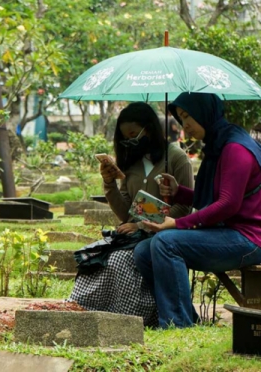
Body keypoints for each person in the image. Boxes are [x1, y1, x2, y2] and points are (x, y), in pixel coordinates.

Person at [132, 93, 261, 329]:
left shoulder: (235, 149)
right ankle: (185, 318)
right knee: (143, 251)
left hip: (248, 240)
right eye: (180, 118)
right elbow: (211, 198)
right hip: (223, 233)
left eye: (188, 116)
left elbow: (228, 204)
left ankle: (176, 325)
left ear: (205, 113)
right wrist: (178, 192)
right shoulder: (217, 145)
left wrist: (177, 224)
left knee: (165, 242)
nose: (184, 124)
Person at [68, 102, 193, 327]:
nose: (130, 141)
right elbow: (126, 214)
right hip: (133, 234)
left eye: (134, 134)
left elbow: (184, 209)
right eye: (126, 137)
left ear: (150, 129)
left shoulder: (175, 157)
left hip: (166, 233)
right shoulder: (130, 164)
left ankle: (135, 318)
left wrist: (143, 225)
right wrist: (109, 183)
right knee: (94, 257)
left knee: (119, 260)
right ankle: (92, 314)